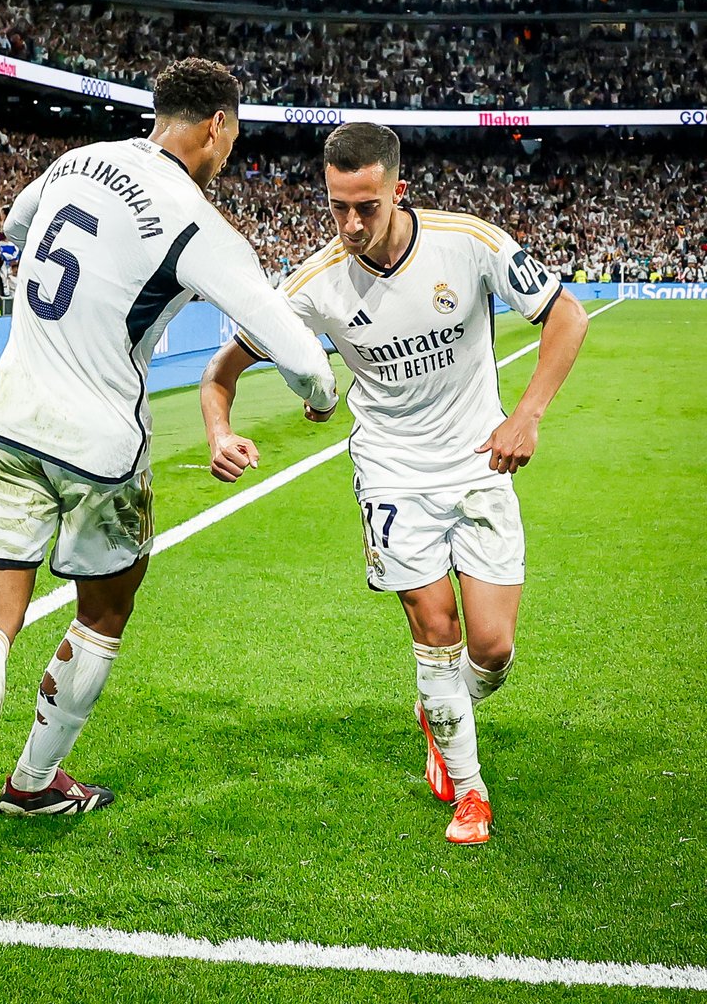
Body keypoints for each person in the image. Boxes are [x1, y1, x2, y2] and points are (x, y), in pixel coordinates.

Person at [0, 58, 338, 887]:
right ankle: (34, 782)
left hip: (6, 414)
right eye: (233, 137)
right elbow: (290, 341)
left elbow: (17, 226)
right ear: (218, 127)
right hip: (98, 441)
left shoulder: (76, 160)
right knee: (107, 606)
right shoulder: (196, 219)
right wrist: (323, 395)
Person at [200, 122, 588, 847]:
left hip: (480, 461)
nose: (351, 223)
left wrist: (527, 415)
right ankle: (470, 792)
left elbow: (567, 315)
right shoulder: (313, 286)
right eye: (338, 206)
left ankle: (441, 711)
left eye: (367, 207)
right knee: (436, 631)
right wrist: (220, 434)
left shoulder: (468, 242)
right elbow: (220, 373)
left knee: (494, 648)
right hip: (391, 472)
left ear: (396, 190)